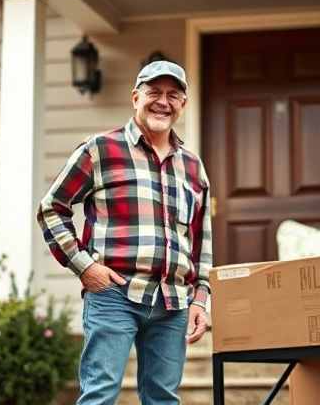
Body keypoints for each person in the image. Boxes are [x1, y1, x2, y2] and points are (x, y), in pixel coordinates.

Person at [38, 56, 212, 405]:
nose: (163, 101)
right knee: (100, 395)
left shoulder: (193, 166)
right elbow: (51, 209)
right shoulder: (99, 149)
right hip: (114, 294)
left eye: (173, 95)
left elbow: (200, 239)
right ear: (136, 97)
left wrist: (201, 298)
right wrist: (85, 266)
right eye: (154, 92)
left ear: (183, 104)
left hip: (173, 302)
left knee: (163, 398)